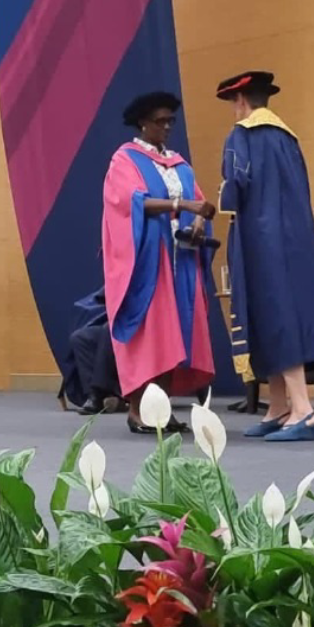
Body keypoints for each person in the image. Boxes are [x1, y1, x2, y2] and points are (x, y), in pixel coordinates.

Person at [217, 71, 314, 442]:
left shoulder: (242, 135)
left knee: (276, 316)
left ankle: (304, 410)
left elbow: (236, 185)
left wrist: (220, 200)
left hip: (261, 239)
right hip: (295, 237)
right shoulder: (288, 138)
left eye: (234, 102)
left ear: (241, 101)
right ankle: (278, 405)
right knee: (280, 313)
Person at [103, 91, 216, 434]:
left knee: (174, 336)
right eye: (160, 121)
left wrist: (200, 221)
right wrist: (181, 206)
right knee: (151, 334)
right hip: (149, 262)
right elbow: (130, 202)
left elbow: (200, 202)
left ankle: (162, 411)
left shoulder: (179, 164)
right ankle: (138, 410)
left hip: (181, 260)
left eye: (170, 121)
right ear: (143, 123)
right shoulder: (125, 159)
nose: (166, 127)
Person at [59, 286, 124, 415]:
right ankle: (94, 396)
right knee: (80, 338)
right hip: (124, 320)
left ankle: (98, 393)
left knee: (109, 330)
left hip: (146, 323)